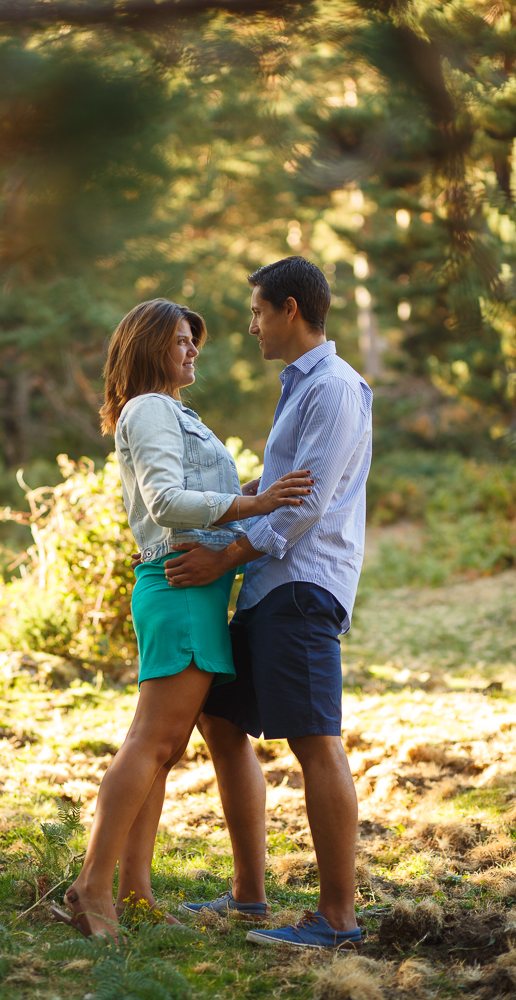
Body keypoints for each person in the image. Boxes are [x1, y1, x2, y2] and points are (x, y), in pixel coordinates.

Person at [63, 297, 314, 938]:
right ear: (149, 347)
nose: (193, 349)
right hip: (177, 584)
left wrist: (253, 497)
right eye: (181, 339)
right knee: (153, 741)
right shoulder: (149, 409)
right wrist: (252, 505)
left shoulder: (176, 412)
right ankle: (92, 890)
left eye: (194, 340)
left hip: (199, 592)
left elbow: (200, 494)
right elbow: (169, 503)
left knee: (165, 748)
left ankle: (135, 894)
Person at [166, 256, 372, 950]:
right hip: (266, 583)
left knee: (315, 740)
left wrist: (225, 553)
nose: (250, 326)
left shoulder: (335, 389)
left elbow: (305, 505)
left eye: (255, 311)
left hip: (301, 585)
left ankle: (337, 920)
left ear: (288, 309)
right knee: (219, 719)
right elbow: (274, 486)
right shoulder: (300, 386)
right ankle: (248, 896)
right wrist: (214, 513)